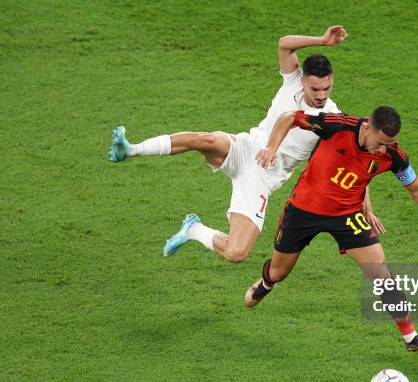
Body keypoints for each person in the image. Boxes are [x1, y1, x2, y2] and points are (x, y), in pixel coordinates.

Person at [108, 26, 384, 263]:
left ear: (332, 83)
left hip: (260, 181)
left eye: (326, 89)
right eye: (315, 89)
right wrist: (322, 41)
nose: (321, 95)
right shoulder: (292, 82)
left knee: (236, 253)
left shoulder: (333, 120)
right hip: (245, 149)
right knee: (203, 139)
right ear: (303, 81)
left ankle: (193, 230)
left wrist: (366, 207)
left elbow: (355, 162)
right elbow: (284, 44)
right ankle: (130, 149)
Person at [245, 106, 418, 359]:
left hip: (346, 215)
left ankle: (411, 337)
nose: (383, 149)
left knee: (381, 272)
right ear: (366, 127)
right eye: (381, 142)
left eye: (390, 143)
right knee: (279, 270)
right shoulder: (337, 126)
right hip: (304, 210)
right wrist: (272, 147)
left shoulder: (393, 155)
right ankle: (267, 282)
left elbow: (415, 188)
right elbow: (290, 117)